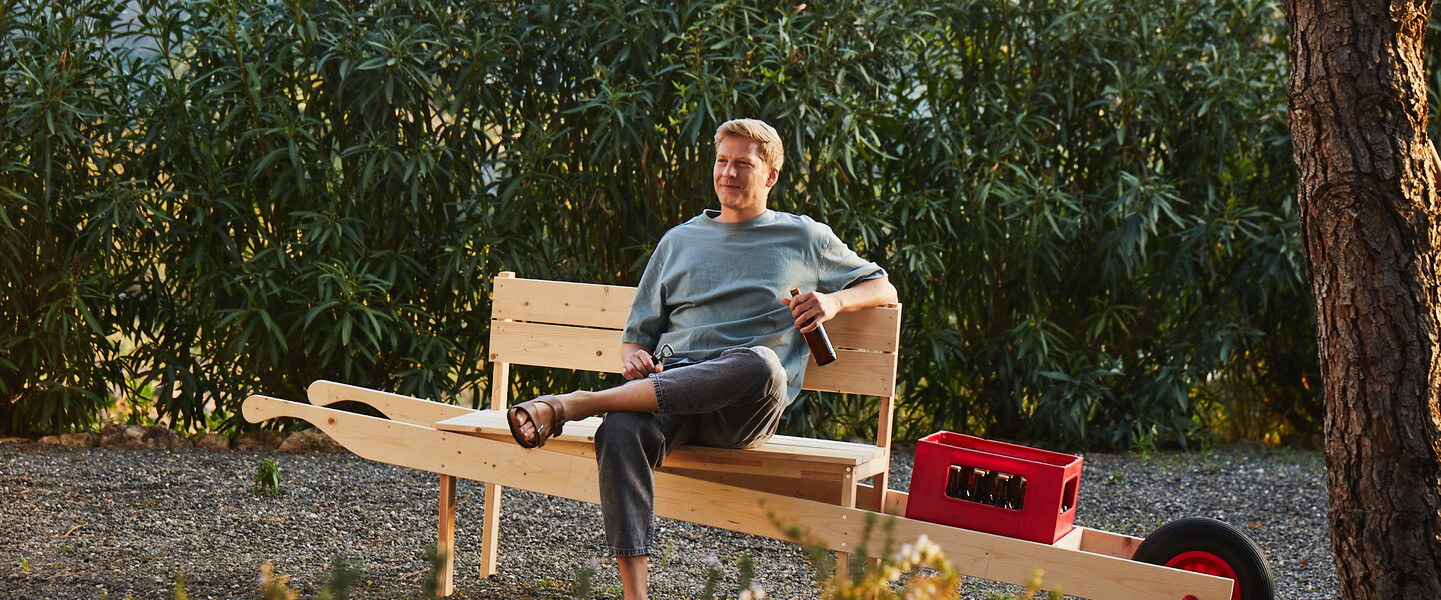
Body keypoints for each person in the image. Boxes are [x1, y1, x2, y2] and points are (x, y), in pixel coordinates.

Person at [506, 118, 898, 600]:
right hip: (670, 392)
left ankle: (578, 403)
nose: (728, 173)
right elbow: (638, 338)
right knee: (620, 430)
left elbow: (882, 284)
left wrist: (834, 302)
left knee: (760, 363)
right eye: (722, 161)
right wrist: (635, 361)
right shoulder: (679, 241)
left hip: (744, 405)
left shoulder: (804, 237)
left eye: (743, 164)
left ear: (770, 176)